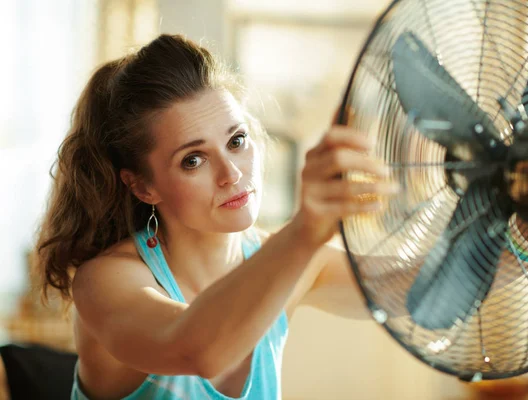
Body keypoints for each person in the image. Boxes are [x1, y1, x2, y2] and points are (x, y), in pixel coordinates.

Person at [35, 34, 396, 400]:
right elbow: (195, 349)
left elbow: (430, 295)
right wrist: (304, 231)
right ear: (144, 187)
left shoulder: (291, 259)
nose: (231, 174)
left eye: (236, 141)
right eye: (193, 160)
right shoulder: (104, 283)